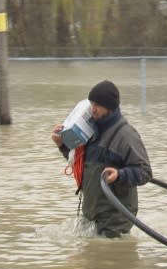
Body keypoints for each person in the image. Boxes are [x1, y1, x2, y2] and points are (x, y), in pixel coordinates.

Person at [51, 80, 152, 238]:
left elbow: (145, 172)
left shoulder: (126, 135)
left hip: (114, 220)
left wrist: (120, 175)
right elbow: (82, 165)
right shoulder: (91, 132)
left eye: (97, 105)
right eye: (91, 104)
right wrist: (62, 145)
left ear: (110, 107)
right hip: (91, 216)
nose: (93, 110)